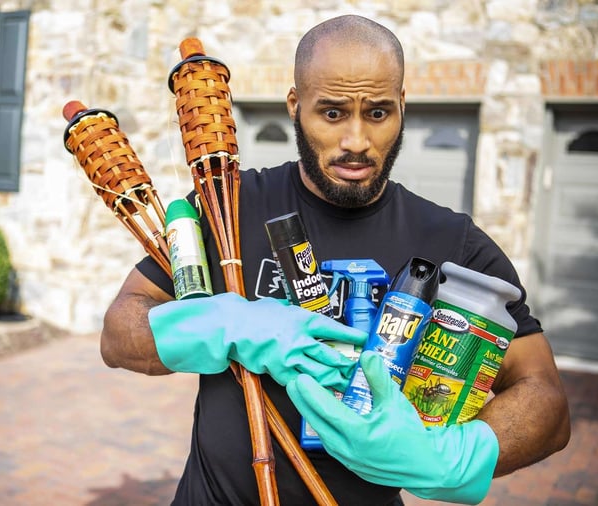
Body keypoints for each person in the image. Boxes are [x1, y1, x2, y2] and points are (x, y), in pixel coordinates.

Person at [100, 14, 570, 506]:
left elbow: (546, 400)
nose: (356, 141)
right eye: (331, 113)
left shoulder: (452, 243)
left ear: (402, 107)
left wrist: (445, 456)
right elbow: (118, 335)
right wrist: (223, 325)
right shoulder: (228, 209)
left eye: (378, 113)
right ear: (294, 106)